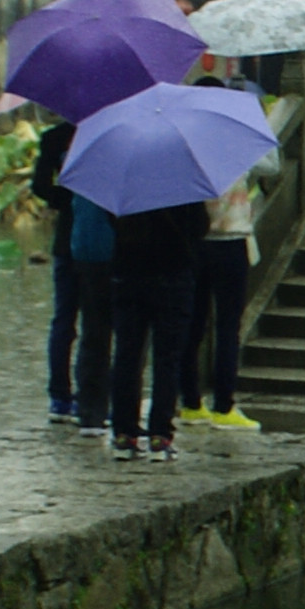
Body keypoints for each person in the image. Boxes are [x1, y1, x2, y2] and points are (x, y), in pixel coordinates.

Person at [97, 189, 203, 460]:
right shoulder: (183, 185)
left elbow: (111, 220)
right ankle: (160, 435)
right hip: (173, 275)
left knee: (127, 355)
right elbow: (200, 226)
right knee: (167, 357)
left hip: (127, 273)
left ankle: (123, 433)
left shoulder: (124, 185)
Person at [192, 93, 267, 436]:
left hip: (198, 243)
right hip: (232, 244)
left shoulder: (191, 147)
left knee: (192, 325)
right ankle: (224, 405)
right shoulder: (240, 146)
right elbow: (274, 165)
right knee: (226, 329)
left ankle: (190, 402)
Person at [29, 109, 102, 427]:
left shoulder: (54, 137)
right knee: (95, 323)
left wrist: (64, 200)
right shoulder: (107, 137)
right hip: (98, 239)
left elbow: (40, 185)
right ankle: (91, 398)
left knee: (64, 320)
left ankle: (59, 397)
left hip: (67, 239)